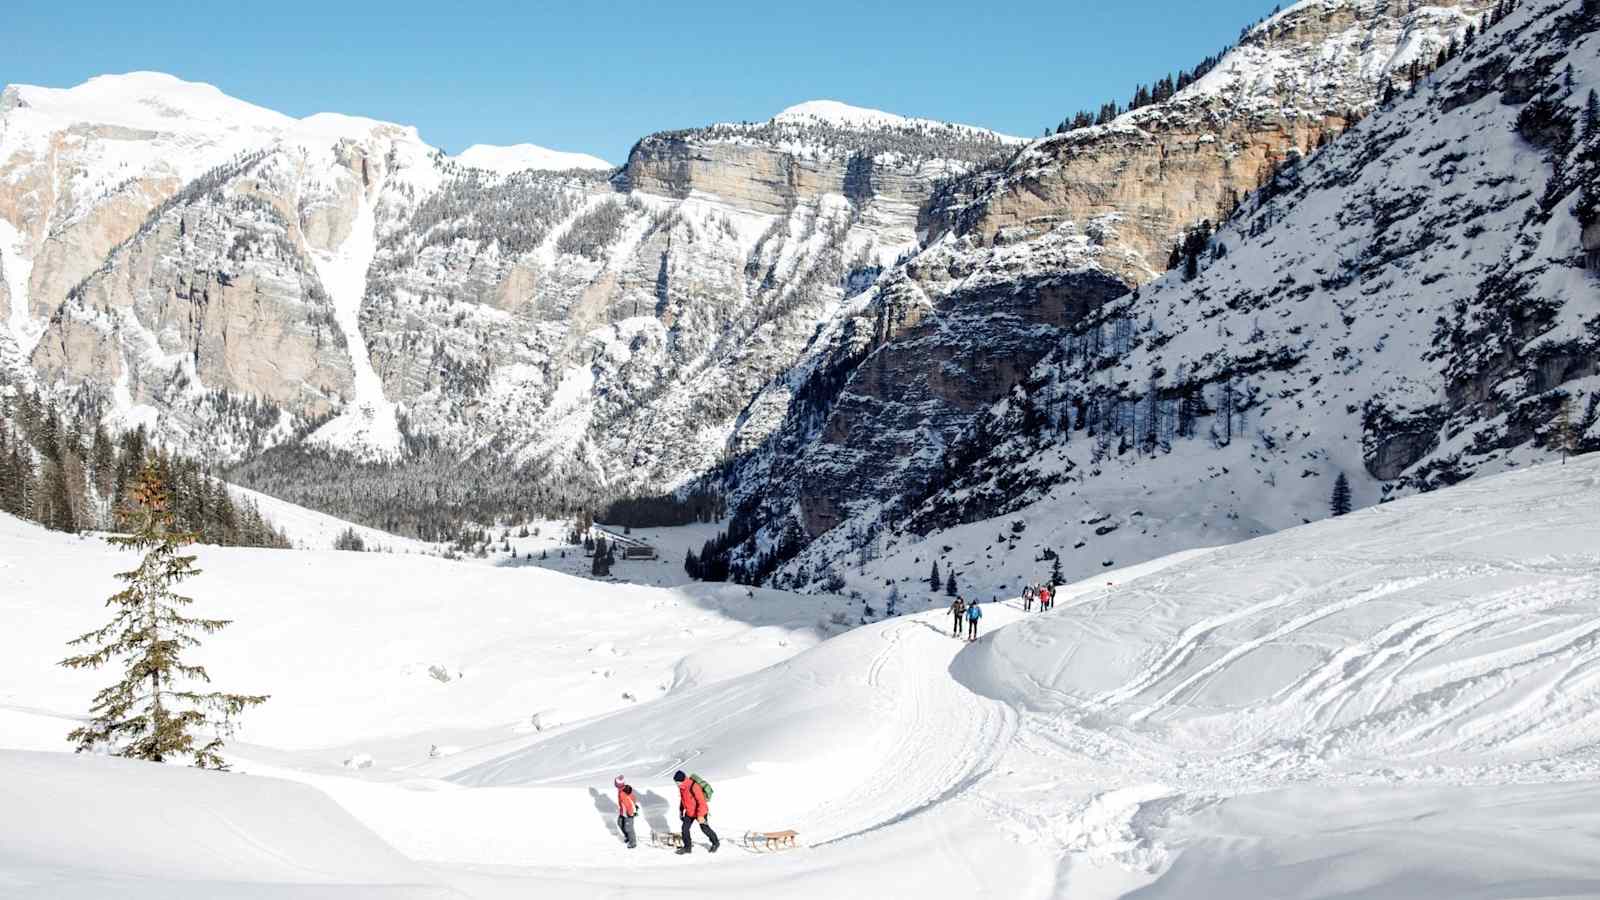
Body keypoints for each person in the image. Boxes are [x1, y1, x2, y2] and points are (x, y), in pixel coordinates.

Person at [674, 770, 719, 854]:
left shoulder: (694, 786)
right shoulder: (682, 788)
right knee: (684, 829)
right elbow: (683, 799)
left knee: (705, 828)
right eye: (676, 783)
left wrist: (700, 815)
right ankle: (687, 847)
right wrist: (681, 810)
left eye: (677, 782)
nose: (677, 784)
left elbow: (702, 802)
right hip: (689, 812)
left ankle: (716, 843)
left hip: (700, 811)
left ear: (682, 780)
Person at [615, 775, 639, 848]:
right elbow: (633, 797)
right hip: (623, 812)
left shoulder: (623, 792)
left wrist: (631, 812)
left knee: (629, 828)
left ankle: (633, 843)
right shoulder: (623, 789)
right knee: (620, 823)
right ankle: (628, 837)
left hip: (629, 813)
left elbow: (628, 804)